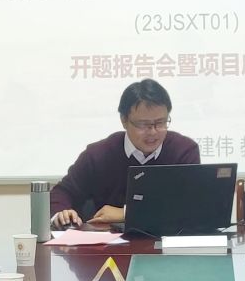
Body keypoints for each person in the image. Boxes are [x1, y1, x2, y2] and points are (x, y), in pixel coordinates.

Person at [50, 79, 201, 228]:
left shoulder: (184, 151)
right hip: (109, 241)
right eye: (143, 124)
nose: (153, 132)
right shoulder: (98, 155)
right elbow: (63, 192)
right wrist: (62, 213)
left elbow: (191, 205)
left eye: (160, 123)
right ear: (124, 120)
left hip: (168, 238)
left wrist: (125, 213)